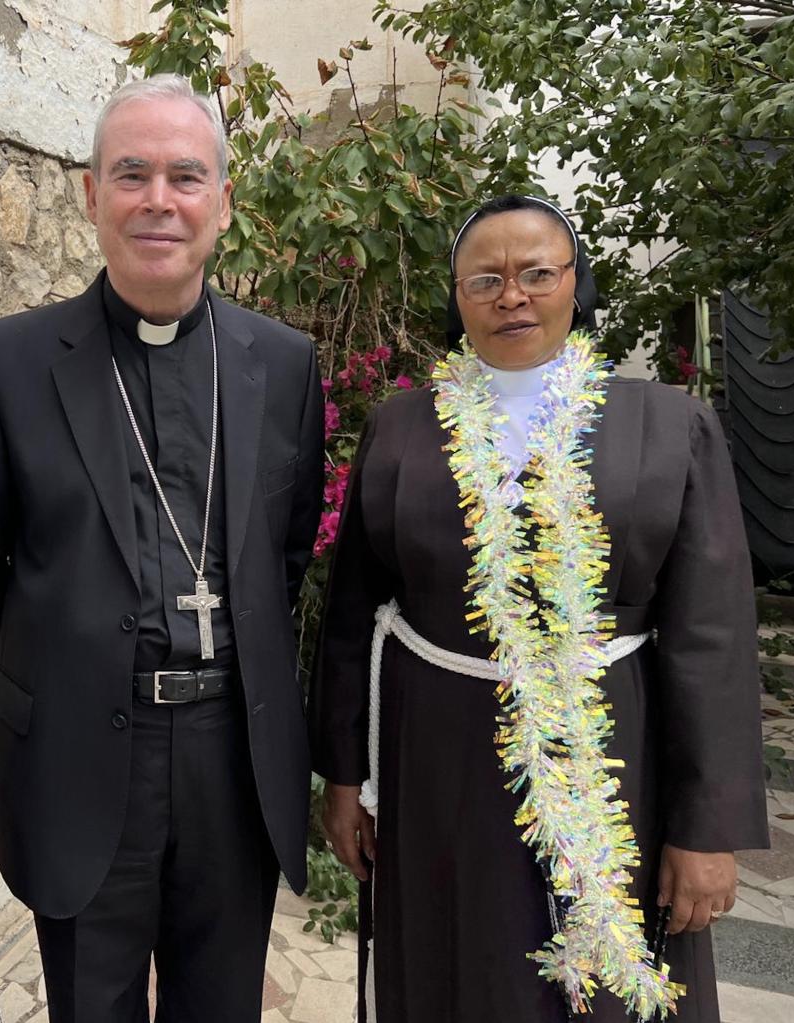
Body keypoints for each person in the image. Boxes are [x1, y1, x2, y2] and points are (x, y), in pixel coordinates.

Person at [309, 194, 770, 1023]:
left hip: (617, 762)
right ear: (457, 296)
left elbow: (713, 638)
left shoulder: (668, 426)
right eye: (485, 279)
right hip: (436, 766)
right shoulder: (403, 428)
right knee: (453, 968)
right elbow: (354, 616)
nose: (511, 295)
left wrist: (707, 827)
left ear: (574, 283)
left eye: (536, 273)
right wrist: (346, 777)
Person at [0, 74, 324, 1021]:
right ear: (91, 195)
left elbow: (284, 556)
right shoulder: (6, 361)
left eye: (186, 176)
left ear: (222, 203)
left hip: (233, 756)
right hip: (80, 750)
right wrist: (70, 655)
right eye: (132, 174)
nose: (160, 199)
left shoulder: (284, 364)